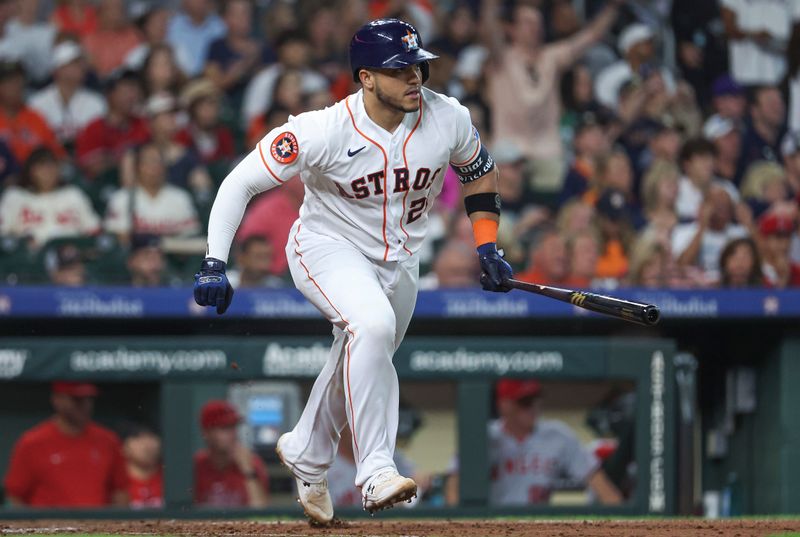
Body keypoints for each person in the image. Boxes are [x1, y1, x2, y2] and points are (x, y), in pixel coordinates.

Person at [193, 19, 513, 523]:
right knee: (373, 327)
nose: (415, 77)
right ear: (366, 77)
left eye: (419, 66)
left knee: (360, 356)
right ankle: (376, 471)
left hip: (401, 262)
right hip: (327, 247)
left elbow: (479, 172)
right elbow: (238, 183)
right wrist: (215, 260)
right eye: (399, 69)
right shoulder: (321, 129)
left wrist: (488, 246)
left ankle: (306, 451)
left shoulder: (447, 116)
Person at [481, 0, 622, 193]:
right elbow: (489, 29)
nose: (535, 28)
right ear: (512, 29)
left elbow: (591, 36)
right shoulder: (502, 57)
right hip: (508, 148)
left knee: (556, 202)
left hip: (547, 151)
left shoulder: (552, 57)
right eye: (527, 22)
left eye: (538, 23)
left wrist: (612, 7)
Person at [488, 379, 622, 506]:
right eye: (525, 402)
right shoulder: (487, 437)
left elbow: (603, 488)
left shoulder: (558, 435)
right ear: (504, 405)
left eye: (536, 399)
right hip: (491, 525)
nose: (534, 407)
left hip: (538, 525)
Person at [3, 382, 129, 507]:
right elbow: (15, 495)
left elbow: (120, 491)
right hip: (48, 524)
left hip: (96, 524)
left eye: (88, 399)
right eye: (76, 399)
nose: (85, 405)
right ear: (57, 400)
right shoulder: (32, 442)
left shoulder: (108, 440)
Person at [0, 146, 100, 247]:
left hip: (72, 253)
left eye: (51, 167)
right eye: (41, 167)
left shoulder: (73, 194)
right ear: (30, 171)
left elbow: (93, 230)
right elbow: (3, 232)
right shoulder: (15, 196)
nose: (47, 172)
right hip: (31, 257)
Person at [104, 142, 200, 243]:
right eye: (149, 162)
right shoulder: (122, 198)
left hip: (173, 256)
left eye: (159, 162)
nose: (154, 168)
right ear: (138, 167)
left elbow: (190, 236)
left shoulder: (180, 197)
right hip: (135, 255)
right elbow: (119, 237)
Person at [193, 400, 269, 508]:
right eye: (224, 428)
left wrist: (248, 471)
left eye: (233, 427)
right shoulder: (196, 465)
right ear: (206, 433)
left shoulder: (252, 464)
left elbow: (260, 515)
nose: (233, 434)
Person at [28, 41, 107, 145]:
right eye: (73, 64)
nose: (81, 67)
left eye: (81, 63)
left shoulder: (97, 102)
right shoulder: (37, 103)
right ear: (58, 69)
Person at [76, 69, 147, 179]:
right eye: (125, 90)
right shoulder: (94, 128)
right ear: (110, 94)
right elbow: (90, 167)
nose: (131, 96)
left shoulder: (143, 124)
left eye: (133, 89)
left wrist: (110, 159)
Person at [672, 185, 750, 281]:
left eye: (726, 205)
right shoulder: (683, 232)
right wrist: (702, 228)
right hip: (698, 289)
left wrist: (750, 224)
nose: (723, 209)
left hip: (730, 287)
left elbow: (764, 264)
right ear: (703, 207)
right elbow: (681, 266)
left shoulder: (739, 233)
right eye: (718, 204)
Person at [0, 61, 65, 164]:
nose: (15, 87)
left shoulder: (35, 117)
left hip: (33, 177)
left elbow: (58, 155)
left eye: (18, 80)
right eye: (8, 82)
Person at [721, 0, 796, 86]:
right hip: (745, 76)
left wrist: (776, 43)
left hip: (781, 76)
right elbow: (728, 29)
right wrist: (753, 35)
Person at [176, 78, 235, 165]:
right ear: (193, 110)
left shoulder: (224, 135)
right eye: (203, 107)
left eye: (212, 106)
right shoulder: (183, 137)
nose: (208, 112)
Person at [735, 85, 787, 183]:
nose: (778, 108)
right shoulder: (742, 144)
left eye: (780, 102)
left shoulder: (789, 140)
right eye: (771, 103)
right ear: (754, 111)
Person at [82, 0, 141, 79]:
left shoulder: (133, 37)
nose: (116, 14)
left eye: (118, 9)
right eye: (110, 9)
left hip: (125, 82)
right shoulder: (90, 38)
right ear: (100, 12)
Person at [167, 0, 226, 78]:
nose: (199, 2)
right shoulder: (172, 24)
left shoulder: (220, 26)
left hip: (211, 80)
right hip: (179, 79)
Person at [120, 423, 163, 509]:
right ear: (124, 447)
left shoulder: (171, 479)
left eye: (151, 436)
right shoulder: (117, 481)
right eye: (138, 438)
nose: (146, 445)